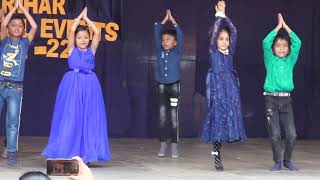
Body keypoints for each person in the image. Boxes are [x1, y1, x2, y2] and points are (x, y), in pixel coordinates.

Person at [42, 7, 111, 163]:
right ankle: (69, 150)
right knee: (72, 116)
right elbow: (71, 30)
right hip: (73, 84)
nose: (83, 40)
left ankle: (86, 154)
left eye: (86, 37)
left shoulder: (92, 50)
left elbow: (98, 33)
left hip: (90, 85)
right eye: (80, 37)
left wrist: (88, 20)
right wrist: (80, 17)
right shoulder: (71, 49)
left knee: (88, 118)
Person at [201, 0, 246, 171]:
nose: (224, 41)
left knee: (230, 116)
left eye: (226, 39)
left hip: (230, 88)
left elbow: (233, 31)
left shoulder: (230, 52)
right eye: (221, 38)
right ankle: (217, 153)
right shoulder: (213, 51)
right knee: (217, 118)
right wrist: (219, 15)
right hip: (217, 88)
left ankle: (228, 140)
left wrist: (225, 13)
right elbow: (215, 34)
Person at [0, 0, 37, 165]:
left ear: (24, 29)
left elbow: (34, 26)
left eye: (20, 25)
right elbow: (4, 23)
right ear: (8, 28)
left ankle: (11, 152)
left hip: (15, 88)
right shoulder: (4, 40)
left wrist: (22, 9)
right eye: (13, 25)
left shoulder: (25, 43)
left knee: (13, 121)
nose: (16, 28)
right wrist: (13, 9)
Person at [262, 13, 301, 171]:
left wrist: (286, 27)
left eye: (285, 45)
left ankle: (287, 160)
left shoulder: (290, 60)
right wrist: (278, 28)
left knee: (292, 134)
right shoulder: (270, 59)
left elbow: (298, 43)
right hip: (271, 100)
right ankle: (277, 161)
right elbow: (265, 42)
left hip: (286, 102)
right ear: (273, 48)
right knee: (276, 134)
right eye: (278, 45)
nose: (282, 49)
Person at [154, 9, 184, 158]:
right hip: (161, 85)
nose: (165, 42)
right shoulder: (159, 50)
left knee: (173, 118)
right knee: (161, 117)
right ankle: (162, 145)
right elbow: (156, 31)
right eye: (163, 39)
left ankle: (174, 146)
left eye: (168, 39)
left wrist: (173, 21)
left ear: (175, 42)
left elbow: (181, 35)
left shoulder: (177, 51)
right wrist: (164, 20)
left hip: (174, 87)